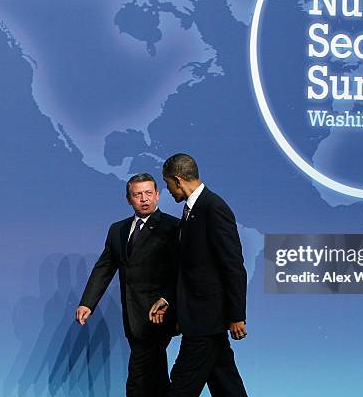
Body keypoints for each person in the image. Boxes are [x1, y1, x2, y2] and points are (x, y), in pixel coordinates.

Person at [149, 153, 248, 397]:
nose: (169, 190)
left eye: (168, 184)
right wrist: (169, 299)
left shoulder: (213, 208)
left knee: (181, 386)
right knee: (227, 386)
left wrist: (237, 315)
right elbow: (191, 269)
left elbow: (233, 265)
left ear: (178, 180)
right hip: (202, 319)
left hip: (205, 319)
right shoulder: (192, 210)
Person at [76, 173, 179, 397]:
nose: (144, 199)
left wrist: (168, 299)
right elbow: (104, 267)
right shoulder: (118, 230)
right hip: (131, 313)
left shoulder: (173, 227)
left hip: (158, 315)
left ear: (158, 195)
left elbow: (182, 272)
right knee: (156, 376)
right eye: (138, 194)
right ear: (128, 199)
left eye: (149, 193)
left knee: (138, 377)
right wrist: (87, 303)